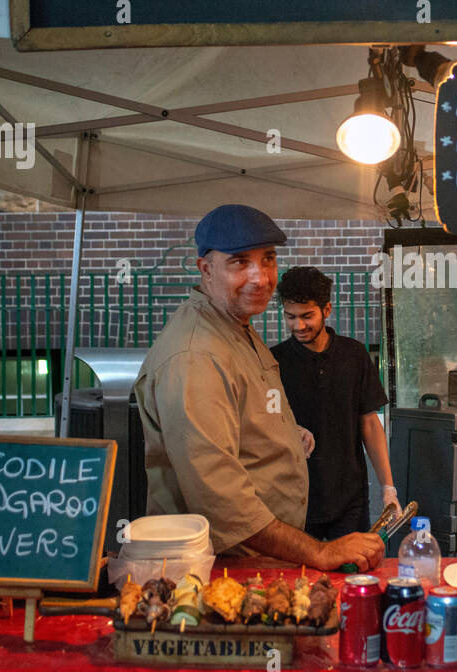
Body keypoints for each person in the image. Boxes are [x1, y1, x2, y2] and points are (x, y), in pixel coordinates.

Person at [132, 204, 383, 572]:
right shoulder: (196, 354)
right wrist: (319, 552)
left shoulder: (235, 327)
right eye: (240, 262)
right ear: (206, 269)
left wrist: (280, 433)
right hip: (220, 571)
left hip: (259, 560)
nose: (261, 278)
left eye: (267, 259)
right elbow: (221, 498)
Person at [271, 266, 398, 540]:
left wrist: (388, 487)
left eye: (307, 316)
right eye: (290, 317)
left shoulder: (354, 355)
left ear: (326, 310)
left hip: (349, 499)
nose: (298, 326)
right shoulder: (274, 362)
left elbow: (370, 424)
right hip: (295, 501)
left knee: (352, 577)